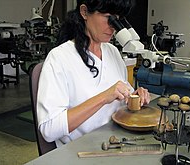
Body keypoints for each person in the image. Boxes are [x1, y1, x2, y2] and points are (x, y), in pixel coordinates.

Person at [37, 0, 150, 147]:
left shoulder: (113, 52)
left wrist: (135, 96)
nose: (113, 27)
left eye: (117, 19)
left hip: (115, 141)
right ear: (84, 12)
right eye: (108, 16)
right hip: (80, 150)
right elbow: (49, 129)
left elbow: (122, 97)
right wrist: (104, 97)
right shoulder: (59, 58)